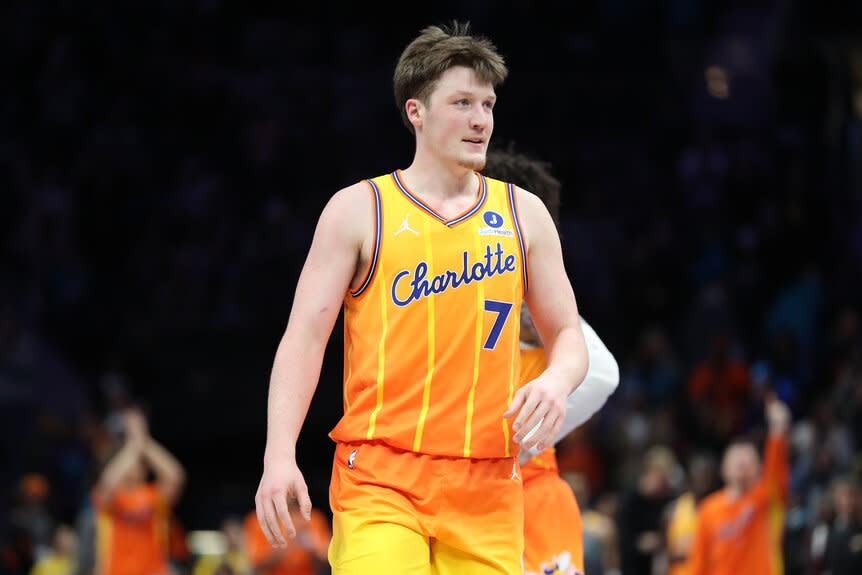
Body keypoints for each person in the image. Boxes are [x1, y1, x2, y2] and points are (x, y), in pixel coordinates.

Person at [255, 21, 589, 574]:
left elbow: (568, 335)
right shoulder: (358, 210)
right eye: (462, 103)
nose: (481, 120)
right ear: (416, 111)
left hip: (488, 484)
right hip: (381, 477)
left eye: (488, 104)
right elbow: (305, 339)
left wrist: (557, 380)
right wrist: (278, 454)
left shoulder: (525, 215)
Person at [483, 148, 620, 575]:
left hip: (533, 494)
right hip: (464, 495)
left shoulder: (539, 303)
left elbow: (602, 374)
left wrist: (521, 446)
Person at [687, 394, 790, 575]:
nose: (742, 463)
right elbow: (698, 563)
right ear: (723, 469)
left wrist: (777, 429)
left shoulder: (765, 499)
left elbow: (776, 467)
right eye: (736, 457)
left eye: (748, 459)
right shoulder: (708, 510)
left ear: (759, 469)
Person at [92, 407, 186, 575]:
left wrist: (144, 440)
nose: (133, 463)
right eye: (130, 460)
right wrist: (133, 445)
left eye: (139, 461)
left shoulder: (153, 494)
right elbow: (107, 482)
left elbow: (176, 476)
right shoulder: (113, 497)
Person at [242, 502, 329, 575]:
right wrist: (287, 544)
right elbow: (256, 564)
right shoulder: (259, 520)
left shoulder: (313, 519)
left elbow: (327, 561)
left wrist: (311, 546)